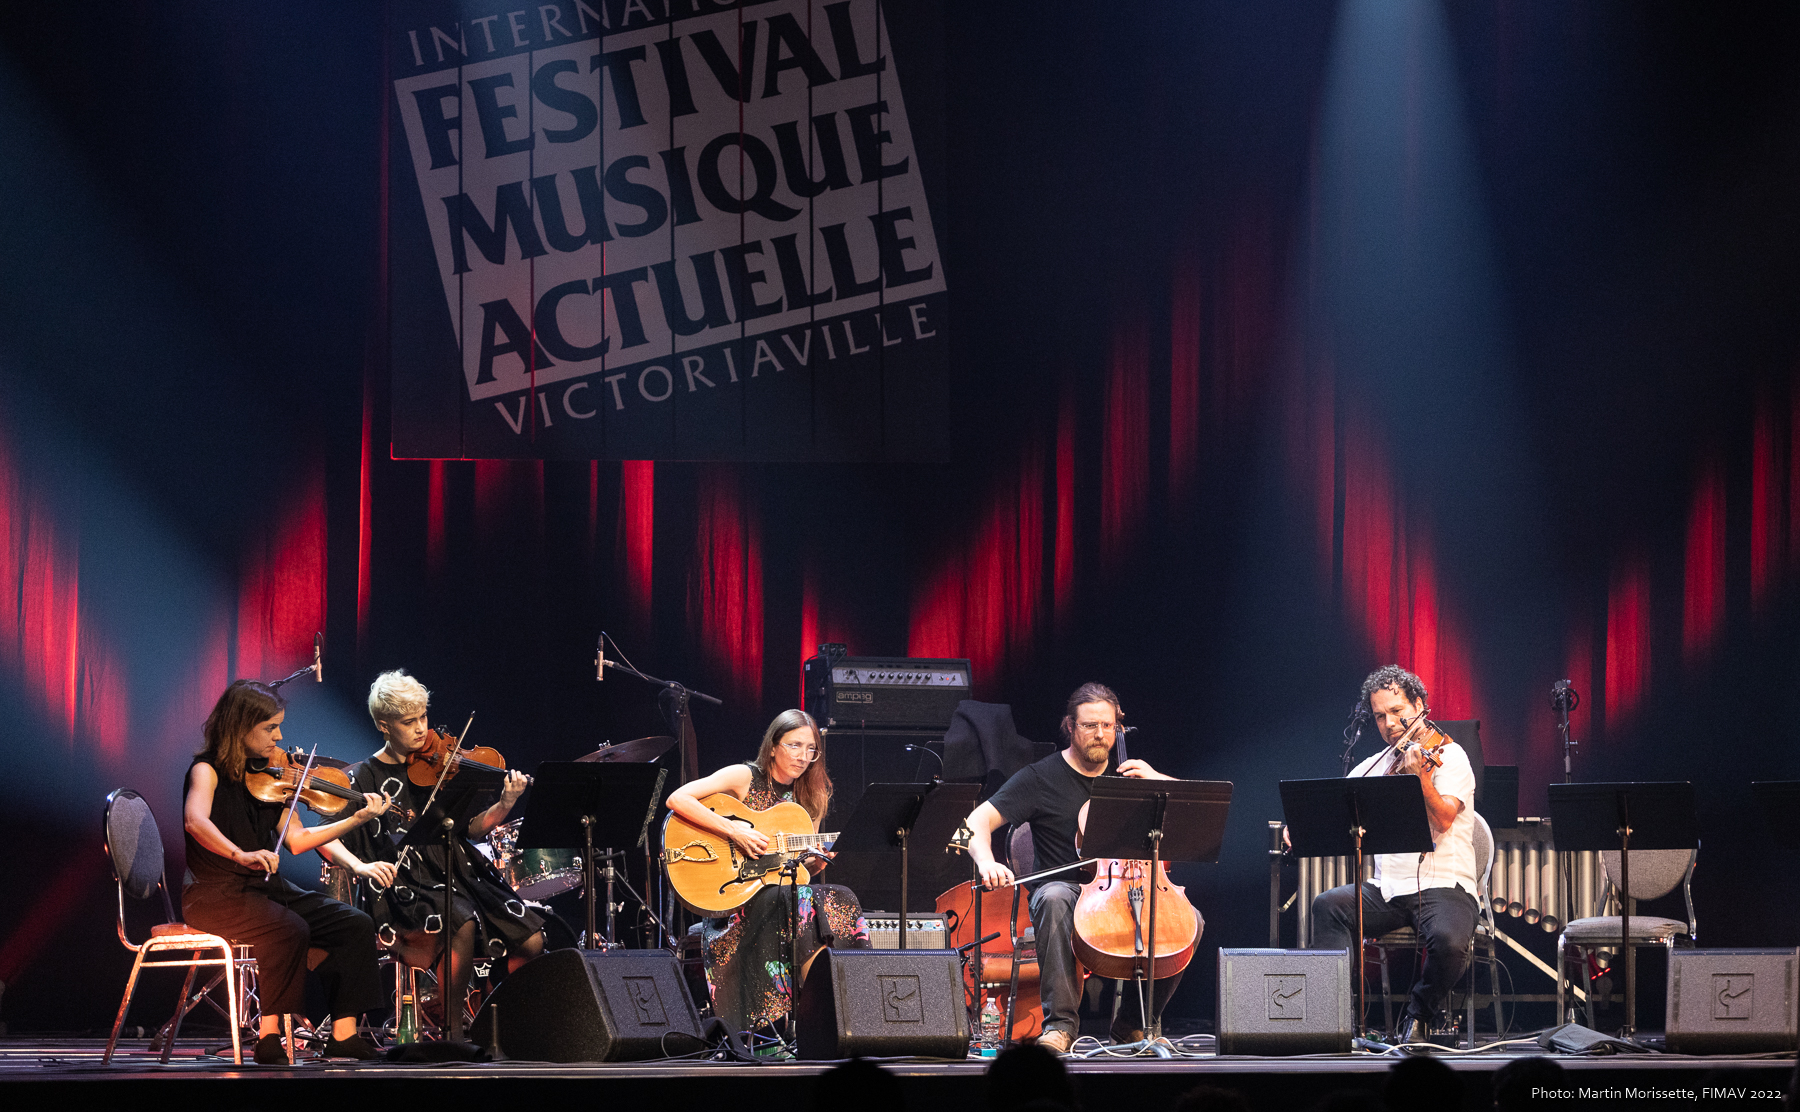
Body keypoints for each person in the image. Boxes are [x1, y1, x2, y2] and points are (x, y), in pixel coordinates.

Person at [959, 682, 1187, 1054]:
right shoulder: (1040, 778)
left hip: (1126, 889)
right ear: (1070, 726)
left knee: (1188, 920)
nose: (1100, 734)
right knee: (1053, 897)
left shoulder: (1130, 777)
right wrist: (986, 861)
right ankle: (1061, 1025)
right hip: (1067, 892)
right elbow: (974, 822)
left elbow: (1198, 811)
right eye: (1089, 725)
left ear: (1119, 727)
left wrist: (1159, 781)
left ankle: (1130, 1023)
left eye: (1108, 726)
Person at [324, 669, 545, 1042]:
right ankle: (452, 1031)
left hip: (458, 868)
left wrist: (505, 803)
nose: (421, 729)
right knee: (459, 919)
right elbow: (324, 837)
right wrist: (360, 866)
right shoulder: (361, 776)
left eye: (423, 717)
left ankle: (492, 1016)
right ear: (383, 725)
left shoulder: (442, 766)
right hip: (402, 880)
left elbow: (471, 829)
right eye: (408, 722)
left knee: (531, 939)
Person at [181, 679, 390, 1064]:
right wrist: (239, 854)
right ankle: (270, 1035)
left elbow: (297, 839)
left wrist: (356, 818)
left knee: (354, 924)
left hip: (263, 890)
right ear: (240, 726)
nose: (279, 737)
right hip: (214, 894)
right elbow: (195, 821)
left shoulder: (271, 779)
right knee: (288, 928)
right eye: (270, 728)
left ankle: (344, 1035)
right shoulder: (206, 771)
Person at [665, 708, 869, 1038]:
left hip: (779, 894)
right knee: (796, 899)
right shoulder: (744, 777)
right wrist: (734, 832)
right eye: (794, 745)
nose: (803, 756)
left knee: (841, 896)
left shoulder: (812, 796)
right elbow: (678, 799)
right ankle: (816, 1015)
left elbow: (796, 872)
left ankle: (850, 1008)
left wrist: (816, 863)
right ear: (773, 746)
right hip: (738, 898)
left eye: (811, 749)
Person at [1309, 664, 1478, 1045]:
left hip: (1444, 884)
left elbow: (1446, 817)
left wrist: (1420, 778)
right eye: (1380, 715)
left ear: (1419, 705)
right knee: (1328, 905)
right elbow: (1338, 804)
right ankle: (1335, 1019)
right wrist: (1302, 824)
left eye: (1398, 712)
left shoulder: (1451, 757)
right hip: (1387, 889)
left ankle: (1419, 1016)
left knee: (1450, 943)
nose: (1390, 723)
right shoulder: (1376, 763)